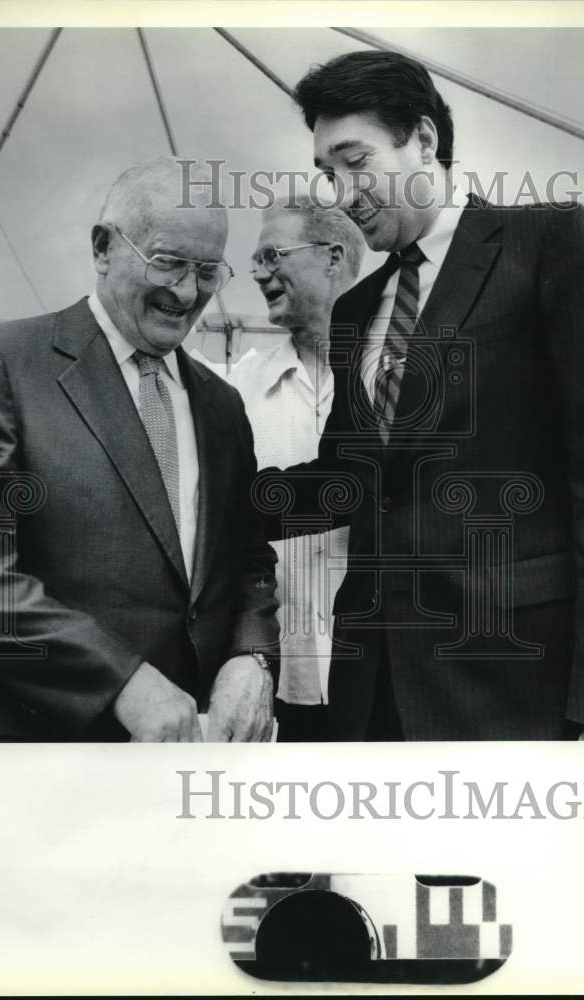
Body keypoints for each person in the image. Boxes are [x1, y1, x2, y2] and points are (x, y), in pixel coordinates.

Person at [255, 50, 584, 740]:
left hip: (511, 690)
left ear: (425, 140)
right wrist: (213, 498)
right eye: (326, 174)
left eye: (356, 162)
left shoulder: (548, 242)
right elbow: (353, 481)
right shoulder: (353, 312)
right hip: (370, 696)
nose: (342, 194)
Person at [0, 156, 279, 742]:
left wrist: (252, 655)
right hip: (29, 756)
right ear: (104, 248)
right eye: (167, 263)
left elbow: (247, 557)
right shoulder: (0, 364)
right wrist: (119, 681)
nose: (187, 292)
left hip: (183, 755)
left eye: (208, 271)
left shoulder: (223, 406)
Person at [230, 196, 364, 741]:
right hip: (273, 681)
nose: (258, 273)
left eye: (272, 254)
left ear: (333, 257)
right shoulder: (237, 387)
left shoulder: (395, 380)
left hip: (376, 678)